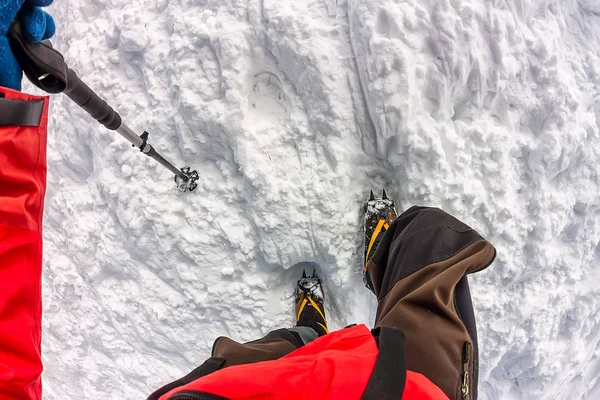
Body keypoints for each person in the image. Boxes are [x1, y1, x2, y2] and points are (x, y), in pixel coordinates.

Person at [0, 2, 497, 399]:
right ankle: (379, 260)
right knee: (431, 240)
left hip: (238, 390)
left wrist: (4, 112)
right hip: (401, 389)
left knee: (287, 350)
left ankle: (310, 324)